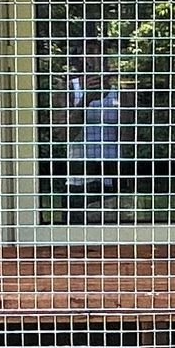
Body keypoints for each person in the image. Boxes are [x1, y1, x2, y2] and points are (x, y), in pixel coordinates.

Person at [62, 44, 125, 222]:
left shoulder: (120, 91)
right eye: (89, 53)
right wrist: (86, 99)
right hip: (78, 178)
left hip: (112, 176)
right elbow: (63, 134)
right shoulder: (68, 89)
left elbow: (129, 137)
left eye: (100, 53)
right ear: (79, 59)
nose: (95, 58)